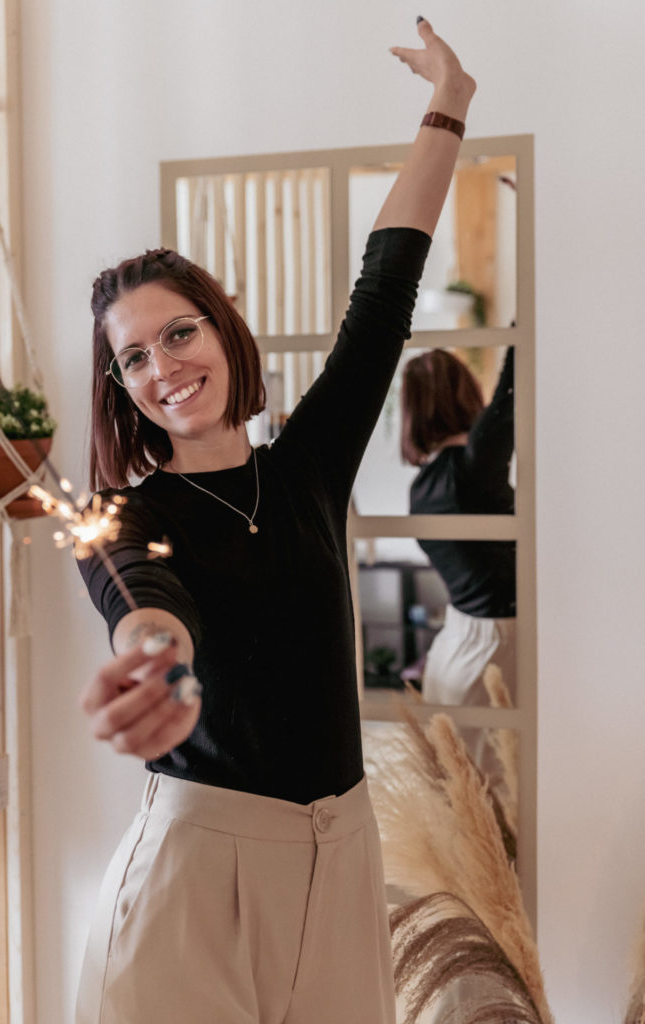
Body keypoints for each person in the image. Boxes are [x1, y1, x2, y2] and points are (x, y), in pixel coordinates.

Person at [76, 19, 476, 1024]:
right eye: (133, 359)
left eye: (179, 332)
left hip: (340, 857)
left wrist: (448, 105)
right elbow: (144, 602)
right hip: (192, 878)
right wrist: (153, 661)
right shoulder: (126, 514)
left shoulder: (305, 470)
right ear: (121, 389)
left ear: (222, 328)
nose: (163, 367)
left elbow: (383, 292)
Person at [401, 346, 516, 719]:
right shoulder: (473, 467)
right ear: (467, 391)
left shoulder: (420, 487)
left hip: (454, 645)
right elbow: (511, 387)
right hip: (497, 649)